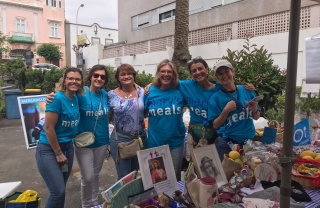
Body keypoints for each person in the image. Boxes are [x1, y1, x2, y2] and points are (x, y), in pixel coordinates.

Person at [46, 65, 110, 208]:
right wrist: (50, 96)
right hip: (84, 143)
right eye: (96, 75)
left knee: (96, 175)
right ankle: (87, 204)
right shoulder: (80, 94)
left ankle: (95, 203)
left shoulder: (105, 95)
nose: (99, 78)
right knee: (87, 177)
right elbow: (64, 97)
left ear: (105, 80)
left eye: (102, 77)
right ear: (90, 78)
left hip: (102, 141)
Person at [36, 68, 84, 208]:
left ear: (81, 82)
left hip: (68, 147)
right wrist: (58, 153)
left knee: (61, 189)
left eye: (77, 79)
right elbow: (48, 128)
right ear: (64, 81)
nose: (74, 81)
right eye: (70, 78)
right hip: (49, 149)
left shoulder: (75, 98)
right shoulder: (56, 99)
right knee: (57, 191)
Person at [208, 59, 261, 161]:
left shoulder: (247, 90)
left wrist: (254, 110)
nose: (224, 76)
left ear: (233, 71)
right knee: (228, 174)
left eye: (226, 71)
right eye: (220, 74)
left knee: (247, 173)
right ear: (217, 78)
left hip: (248, 142)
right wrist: (225, 111)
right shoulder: (215, 98)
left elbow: (256, 116)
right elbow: (215, 125)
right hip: (228, 143)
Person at [144, 59, 186, 181]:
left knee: (174, 176)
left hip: (175, 142)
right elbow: (143, 112)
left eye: (169, 72)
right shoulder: (149, 92)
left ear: (173, 75)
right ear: (158, 73)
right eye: (163, 71)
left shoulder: (180, 90)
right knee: (158, 178)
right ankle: (159, 200)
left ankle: (176, 200)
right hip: (155, 142)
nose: (166, 74)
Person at [108, 64, 147, 180]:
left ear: (133, 76)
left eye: (129, 73)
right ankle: (124, 198)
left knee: (138, 174)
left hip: (140, 138)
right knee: (124, 177)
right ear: (118, 78)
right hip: (120, 139)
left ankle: (136, 198)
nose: (126, 76)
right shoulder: (111, 95)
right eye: (123, 74)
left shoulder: (142, 92)